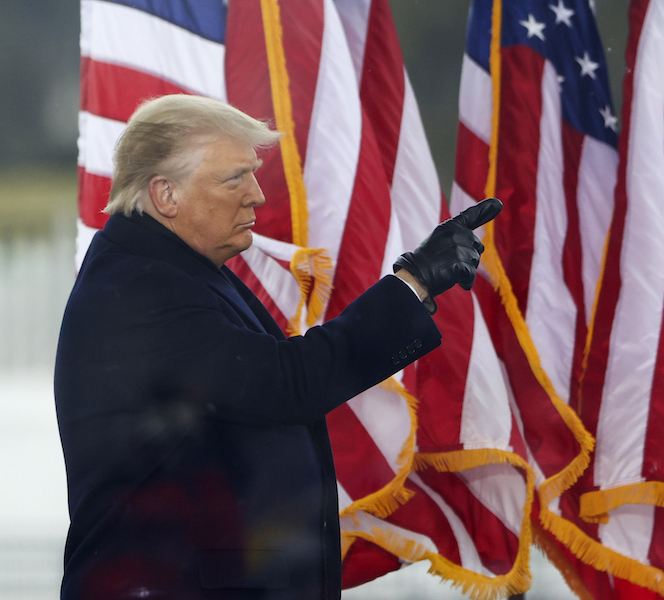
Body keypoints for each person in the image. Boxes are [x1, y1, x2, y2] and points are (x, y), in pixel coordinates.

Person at [54, 94, 501, 599]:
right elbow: (288, 383)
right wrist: (413, 282)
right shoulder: (142, 290)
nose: (257, 195)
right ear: (165, 195)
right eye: (234, 178)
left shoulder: (174, 271)